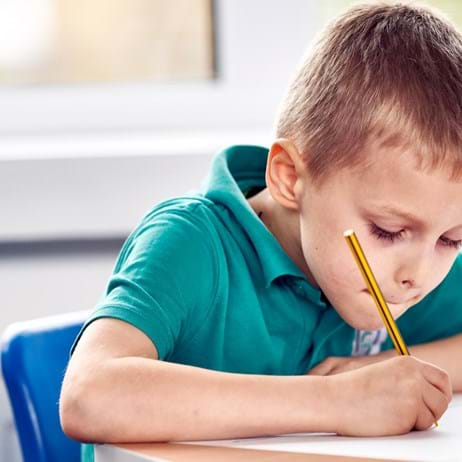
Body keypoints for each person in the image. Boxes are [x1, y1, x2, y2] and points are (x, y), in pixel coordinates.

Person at [60, 3, 462, 461]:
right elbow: (89, 395)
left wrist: (380, 371)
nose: (420, 273)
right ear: (290, 178)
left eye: (453, 239)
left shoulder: (411, 252)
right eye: (387, 231)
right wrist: (340, 400)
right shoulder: (193, 243)